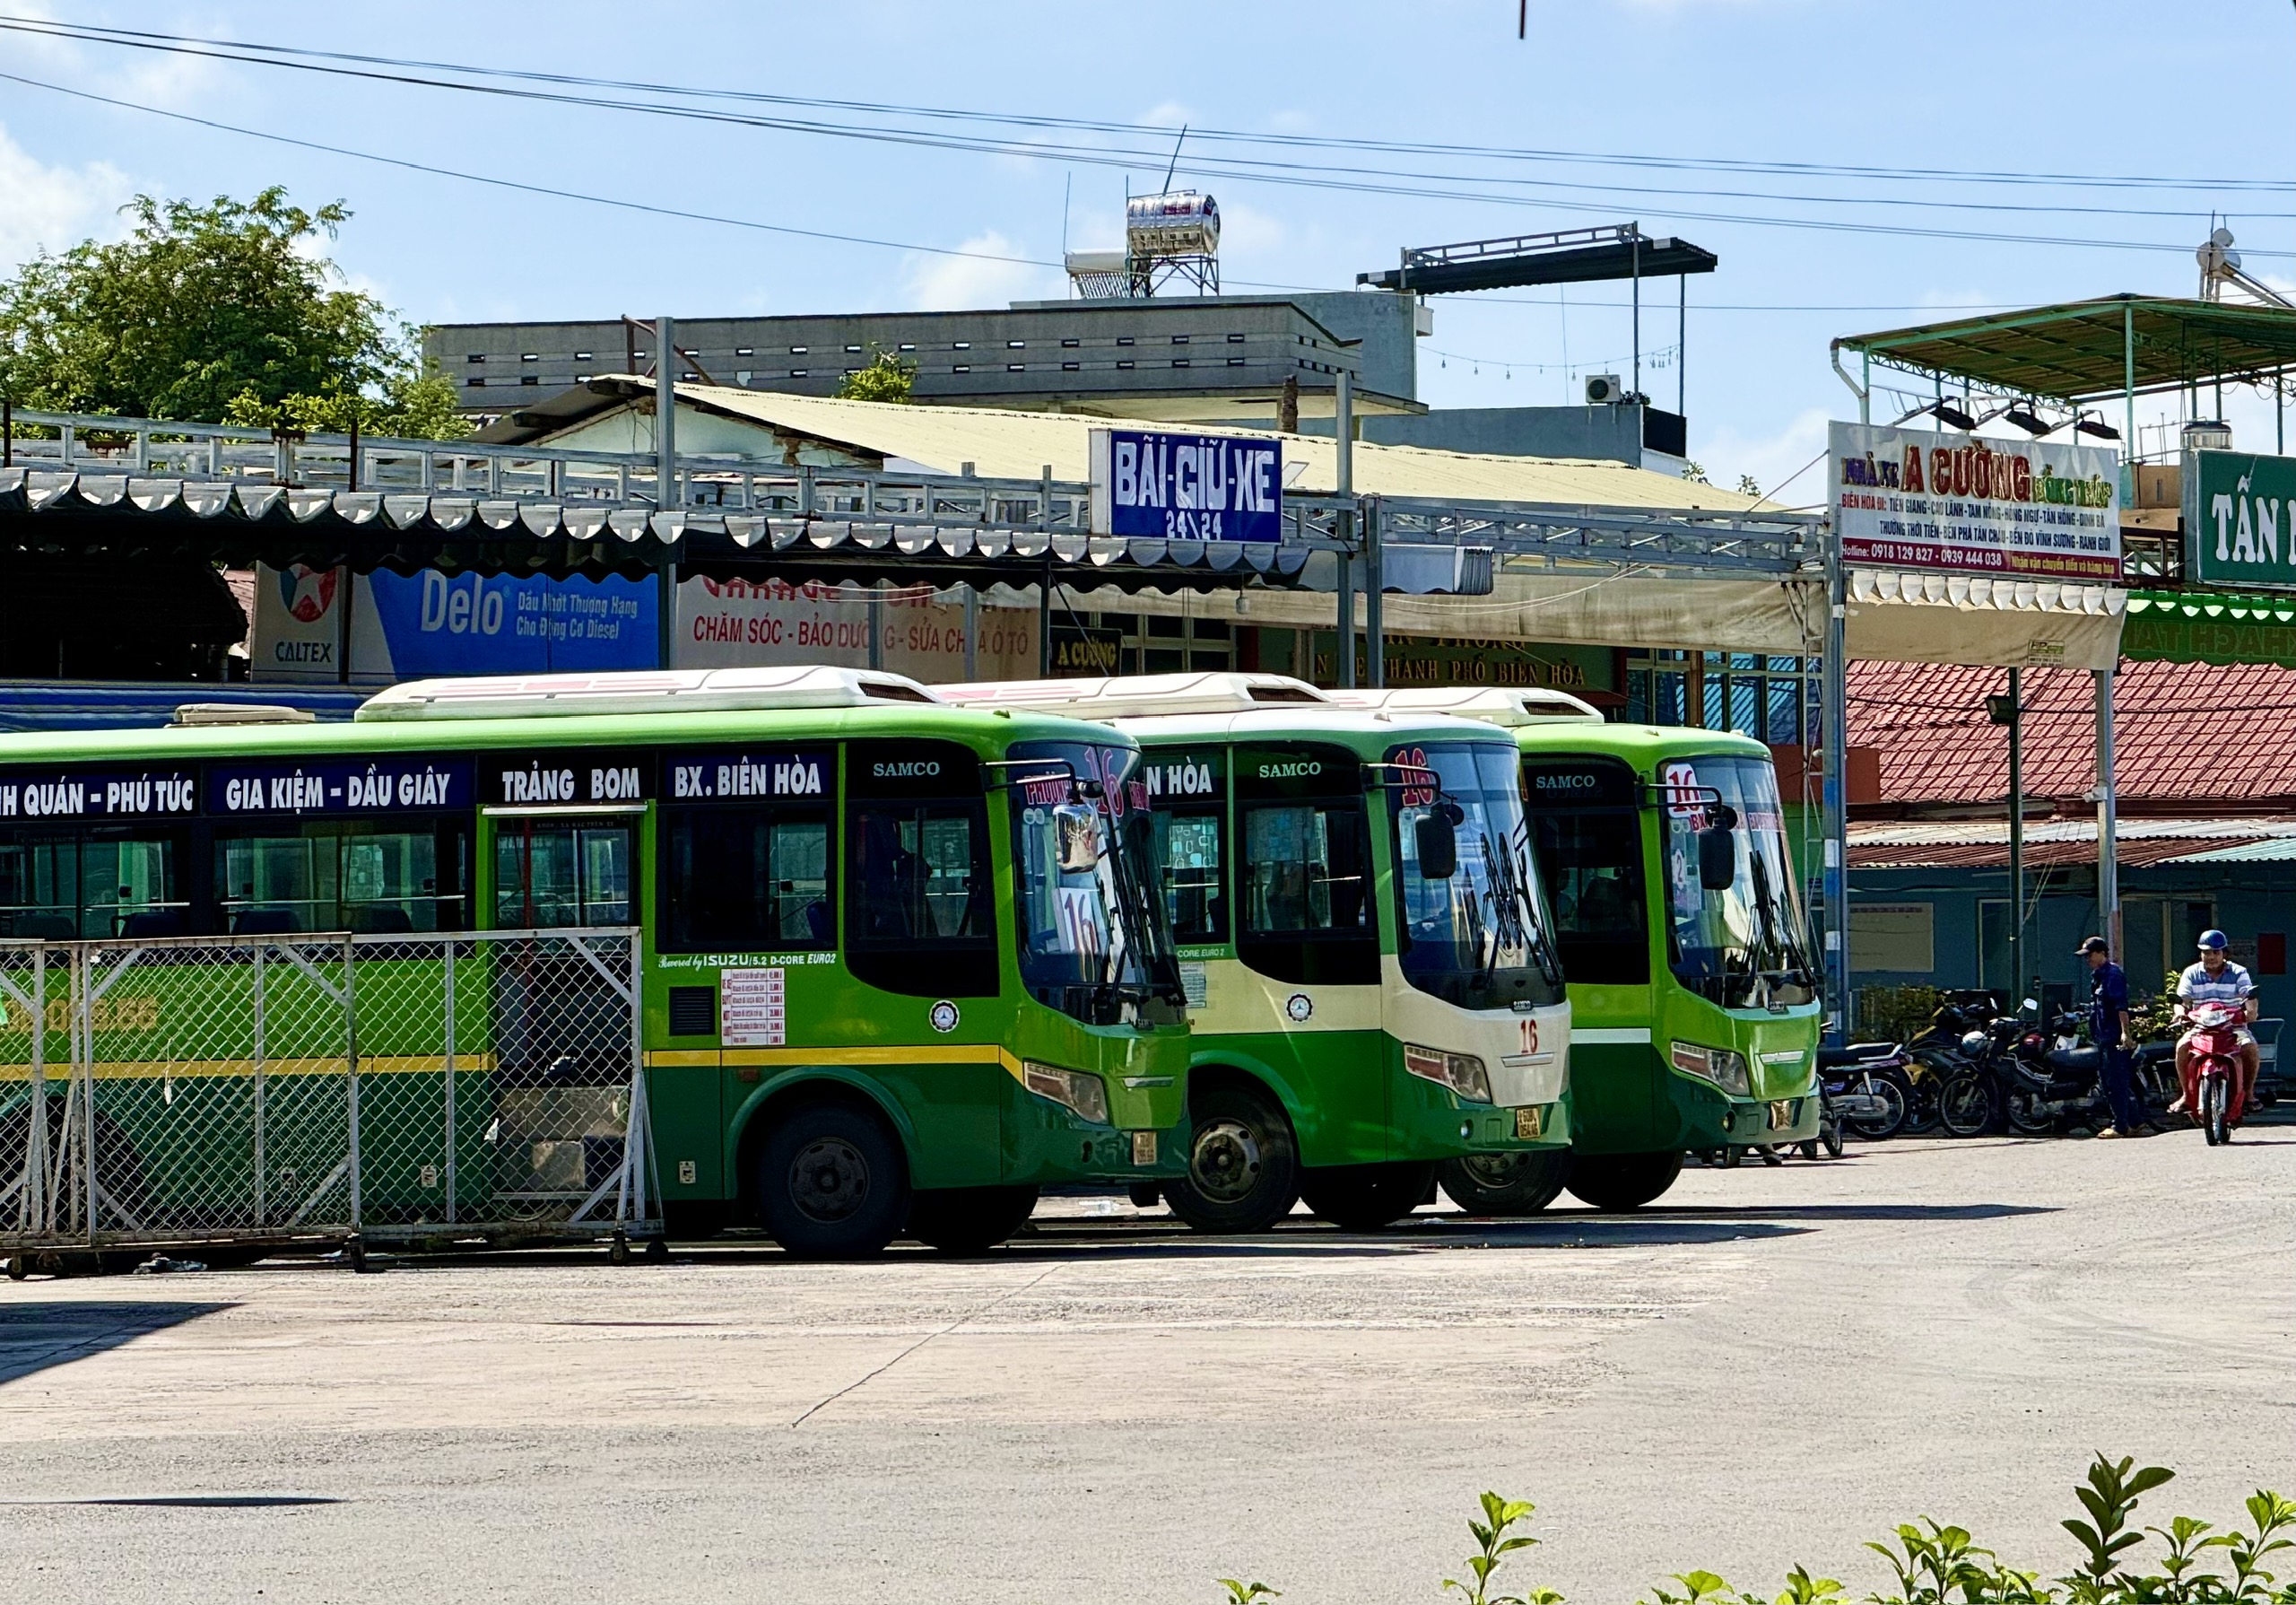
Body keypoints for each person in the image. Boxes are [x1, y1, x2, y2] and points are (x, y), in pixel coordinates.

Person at [2171, 929, 2259, 1122]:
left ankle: (2249, 1093)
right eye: (2206, 952)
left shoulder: (2238, 972)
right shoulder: (2191, 973)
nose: (2211, 957)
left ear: (2224, 954)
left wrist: (2250, 1012)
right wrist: (2179, 1013)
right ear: (2200, 954)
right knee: (2182, 1047)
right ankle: (2186, 1094)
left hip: (2232, 1027)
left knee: (2250, 1047)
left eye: (2215, 952)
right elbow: (2181, 1000)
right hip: (2200, 1028)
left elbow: (2249, 996)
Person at [2080, 937, 2152, 1138]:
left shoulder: (2113, 975)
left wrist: (2125, 1034)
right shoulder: (2097, 976)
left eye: (2090, 955)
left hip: (2114, 1037)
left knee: (2115, 1083)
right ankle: (2135, 1121)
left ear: (2102, 953)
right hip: (2103, 1037)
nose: (2088, 960)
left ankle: (2120, 1126)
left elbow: (2121, 1007)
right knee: (2108, 1082)